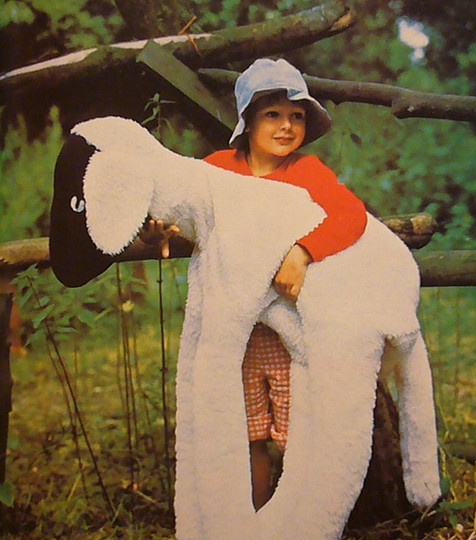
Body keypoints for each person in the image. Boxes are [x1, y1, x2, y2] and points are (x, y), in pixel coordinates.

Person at [145, 57, 367, 511]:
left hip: (288, 331)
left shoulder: (306, 173)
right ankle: (253, 524)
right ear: (247, 121)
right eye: (273, 115)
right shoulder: (218, 170)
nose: (286, 127)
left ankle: (295, 529)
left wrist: (303, 251)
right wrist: (163, 229)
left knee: (297, 433)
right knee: (247, 434)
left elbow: (351, 215)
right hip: (235, 332)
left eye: (296, 116)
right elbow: (189, 216)